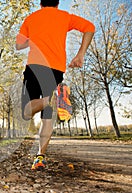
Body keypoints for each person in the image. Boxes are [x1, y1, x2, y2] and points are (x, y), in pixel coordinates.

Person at [16, 0, 95, 170]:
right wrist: (80, 55)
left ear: (40, 3)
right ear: (57, 4)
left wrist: (33, 40)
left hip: (35, 67)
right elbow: (90, 27)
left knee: (26, 112)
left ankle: (47, 99)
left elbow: (18, 45)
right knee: (47, 118)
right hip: (56, 70)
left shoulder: (31, 18)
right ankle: (40, 158)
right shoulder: (64, 16)